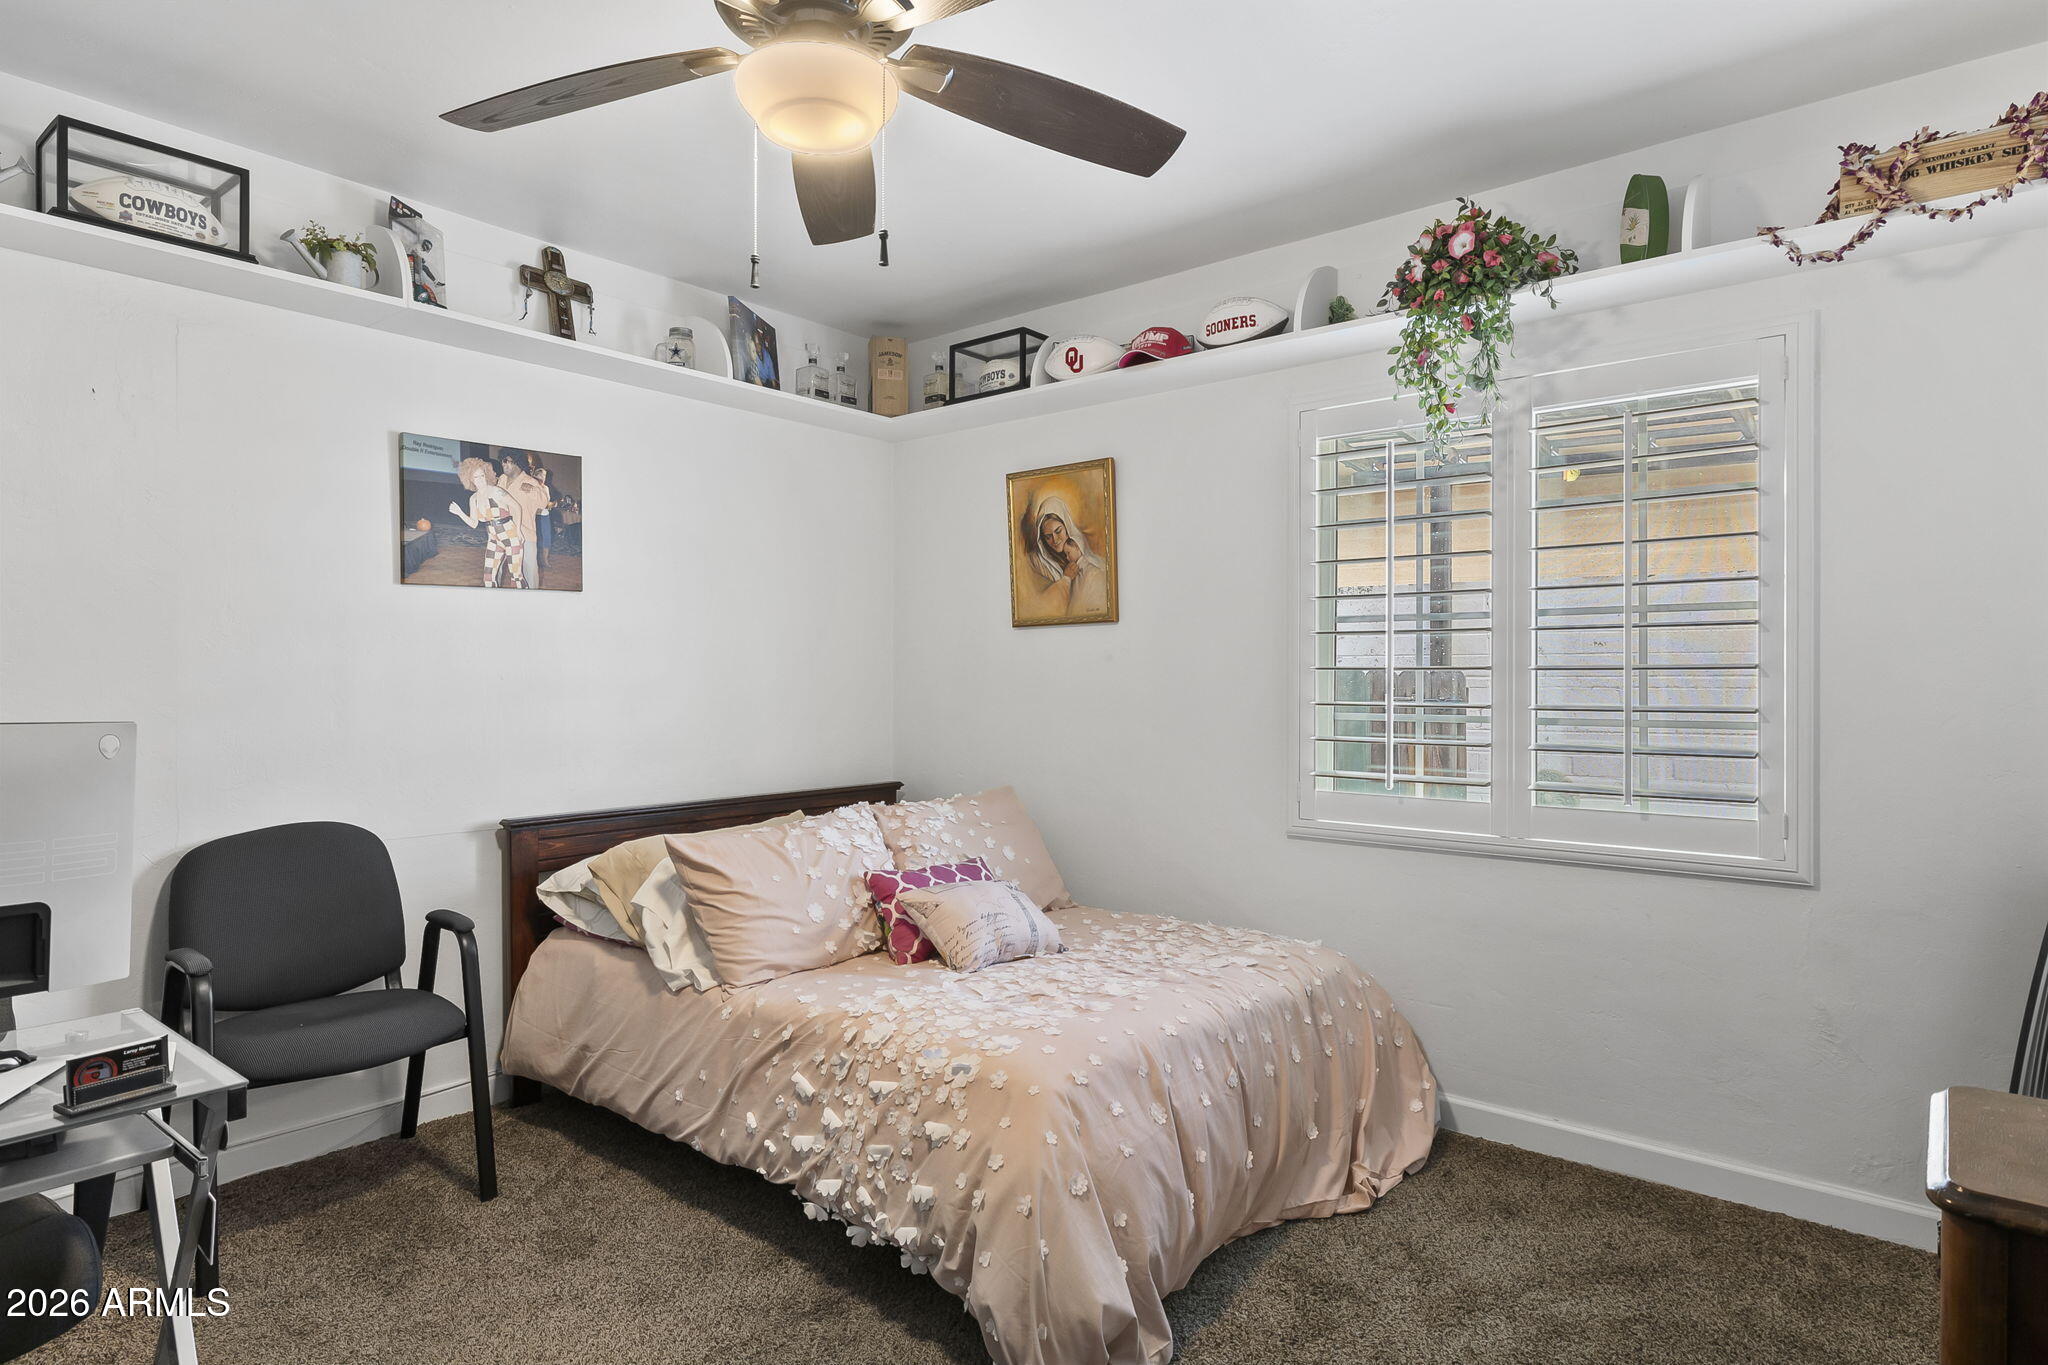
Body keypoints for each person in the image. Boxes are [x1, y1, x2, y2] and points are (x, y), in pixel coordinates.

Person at [1025, 494, 1109, 617]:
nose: (1055, 540)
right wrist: (1066, 579)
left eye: (1058, 531)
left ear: (1067, 527)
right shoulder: (1036, 561)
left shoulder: (1084, 554)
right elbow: (1040, 606)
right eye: (1048, 537)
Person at [448, 456, 524, 587]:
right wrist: (459, 512)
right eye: (476, 477)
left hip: (511, 537)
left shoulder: (496, 491)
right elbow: (474, 523)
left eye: (482, 476)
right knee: (488, 578)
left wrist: (518, 531)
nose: (480, 480)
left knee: (516, 577)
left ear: (486, 475)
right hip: (494, 540)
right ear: (470, 479)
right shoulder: (473, 499)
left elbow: (517, 507)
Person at [496, 451, 549, 587]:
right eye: (502, 461)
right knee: (495, 570)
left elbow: (543, 503)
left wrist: (532, 490)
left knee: (529, 573)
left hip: (524, 535)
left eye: (506, 460)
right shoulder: (501, 479)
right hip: (501, 532)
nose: (503, 464)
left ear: (517, 462)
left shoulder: (530, 482)